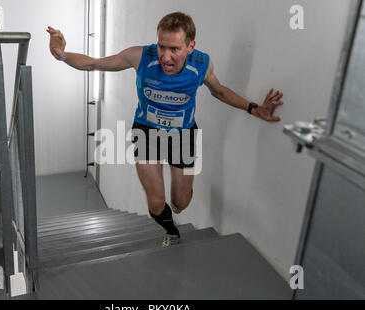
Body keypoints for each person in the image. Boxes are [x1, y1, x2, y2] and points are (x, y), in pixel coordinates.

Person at [47, 12, 284, 247]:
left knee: (180, 202)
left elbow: (219, 91)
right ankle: (171, 231)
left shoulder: (202, 64)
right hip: (147, 132)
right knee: (156, 203)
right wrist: (62, 55)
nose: (166, 57)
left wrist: (254, 109)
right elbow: (93, 63)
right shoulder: (141, 56)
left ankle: (182, 196)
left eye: (174, 49)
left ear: (191, 46)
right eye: (162, 47)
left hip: (183, 135)